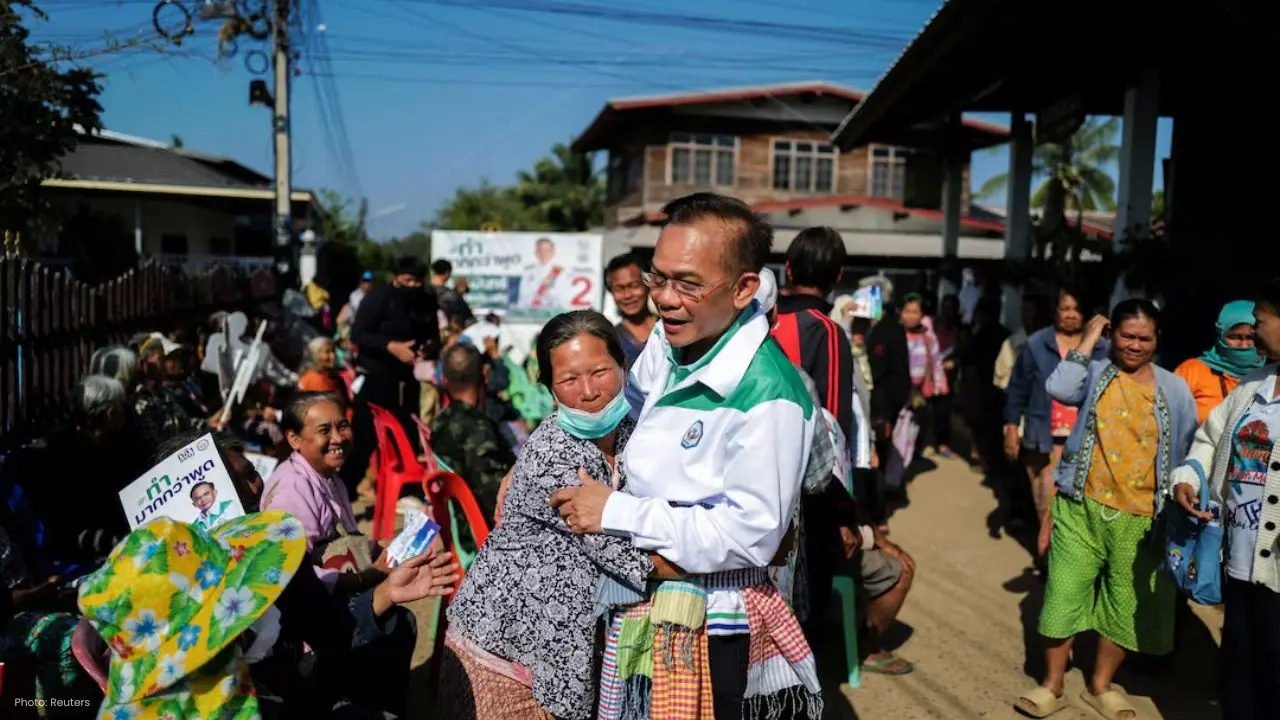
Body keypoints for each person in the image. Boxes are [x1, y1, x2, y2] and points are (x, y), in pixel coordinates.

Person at [550, 192, 822, 718]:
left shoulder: (770, 397)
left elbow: (746, 538)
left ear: (745, 288)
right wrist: (549, 447)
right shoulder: (674, 341)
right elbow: (624, 409)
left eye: (688, 283)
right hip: (649, 600)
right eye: (658, 277)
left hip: (711, 627)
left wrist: (615, 511)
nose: (664, 299)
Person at [439, 310, 690, 720]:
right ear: (550, 388)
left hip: (557, 644)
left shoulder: (632, 433)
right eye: (569, 380)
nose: (589, 392)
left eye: (601, 371)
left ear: (624, 367)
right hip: (503, 652)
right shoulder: (553, 456)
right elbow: (626, 555)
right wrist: (728, 554)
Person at [1015, 300, 1197, 720]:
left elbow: (1186, 448)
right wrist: (1089, 336)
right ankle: (1052, 684)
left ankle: (1100, 686)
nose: (1134, 345)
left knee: (1125, 604)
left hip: (1142, 520)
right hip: (1082, 507)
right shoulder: (1095, 371)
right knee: (1062, 595)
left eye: (1143, 338)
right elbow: (1059, 389)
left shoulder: (1174, 388)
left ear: (1156, 340)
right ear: (1113, 334)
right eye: (1126, 336)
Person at [1170, 280, 1280, 720]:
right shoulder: (1254, 383)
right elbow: (1211, 439)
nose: (1252, 332)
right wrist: (1190, 477)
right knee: (1239, 664)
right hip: (1241, 554)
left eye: (1260, 322)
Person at [770, 227, 861, 653]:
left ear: (787, 268)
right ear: (838, 275)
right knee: (802, 602)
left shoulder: (759, 318)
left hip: (752, 479)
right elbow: (833, 426)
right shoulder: (826, 330)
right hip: (806, 494)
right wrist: (844, 511)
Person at [1004, 287, 1108, 558]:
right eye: (1065, 309)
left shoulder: (1100, 348)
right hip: (1044, 438)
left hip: (1087, 438)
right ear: (1055, 312)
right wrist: (1011, 428)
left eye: (1076, 309)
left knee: (1078, 503)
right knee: (1046, 501)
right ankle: (1050, 556)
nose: (1071, 315)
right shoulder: (1036, 345)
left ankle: (1063, 557)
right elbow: (1017, 389)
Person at [261, 392, 385, 595]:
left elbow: (341, 541)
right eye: (324, 430)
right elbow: (295, 574)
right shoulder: (292, 489)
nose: (338, 438)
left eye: (343, 426)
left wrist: (380, 548)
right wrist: (372, 574)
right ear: (294, 439)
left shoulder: (329, 476)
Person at [345, 256, 441, 497]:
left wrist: (428, 347)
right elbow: (358, 335)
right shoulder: (379, 297)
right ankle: (344, 491)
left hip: (406, 381)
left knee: (407, 439)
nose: (412, 286)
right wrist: (390, 346)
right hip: (375, 377)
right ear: (396, 279)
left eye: (417, 281)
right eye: (407, 281)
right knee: (363, 440)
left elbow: (434, 336)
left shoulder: (426, 301)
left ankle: (406, 493)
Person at [430, 343, 517, 525]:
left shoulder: (440, 421)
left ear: (445, 380)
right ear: (485, 375)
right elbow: (497, 499)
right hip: (482, 532)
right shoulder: (479, 430)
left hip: (458, 523)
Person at [1175, 300, 1264, 423]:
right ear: (1220, 336)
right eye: (1234, 337)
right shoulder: (1192, 371)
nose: (1244, 346)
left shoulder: (1271, 375)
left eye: (1250, 338)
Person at [605, 252, 657, 368]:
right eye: (619, 289)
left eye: (634, 286)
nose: (627, 295)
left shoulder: (668, 329)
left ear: (647, 285)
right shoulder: (610, 341)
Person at [517, 237, 570, 311]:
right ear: (535, 252)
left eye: (547, 250)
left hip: (552, 312)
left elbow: (563, 297)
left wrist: (547, 294)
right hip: (531, 312)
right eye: (540, 250)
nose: (543, 253)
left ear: (552, 252)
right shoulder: (528, 271)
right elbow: (523, 295)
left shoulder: (560, 272)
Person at [432, 258, 476, 327]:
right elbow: (466, 318)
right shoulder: (452, 296)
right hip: (448, 333)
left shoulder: (423, 292)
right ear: (447, 273)